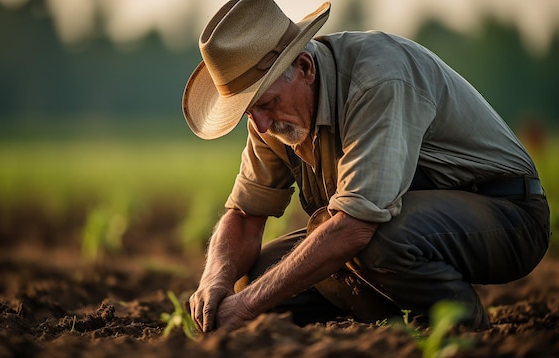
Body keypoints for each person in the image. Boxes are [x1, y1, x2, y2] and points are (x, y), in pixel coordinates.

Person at [182, 0, 550, 333]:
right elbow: (245, 215)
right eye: (250, 111)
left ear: (305, 67)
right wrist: (215, 279)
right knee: (257, 277)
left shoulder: (377, 79)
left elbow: (356, 226)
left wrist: (245, 307)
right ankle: (395, 321)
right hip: (401, 222)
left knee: (367, 240)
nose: (260, 124)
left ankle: (461, 326)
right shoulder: (270, 119)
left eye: (266, 103)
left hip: (508, 215)